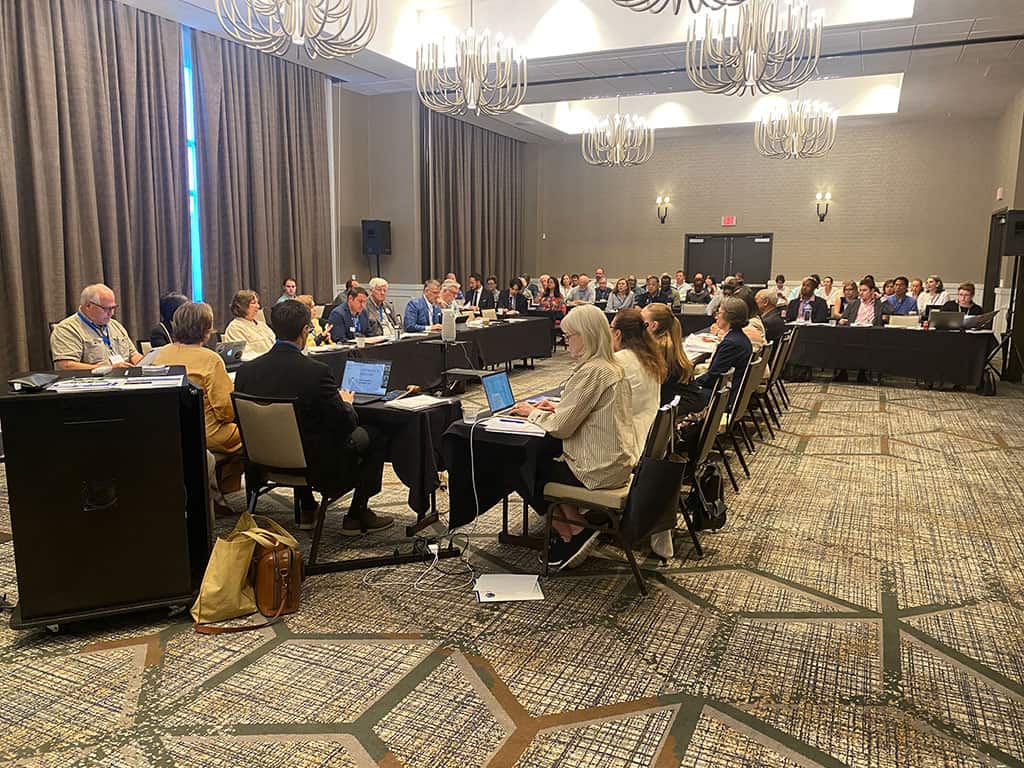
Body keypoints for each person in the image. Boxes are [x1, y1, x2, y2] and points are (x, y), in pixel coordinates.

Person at [235, 300, 393, 534]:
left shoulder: (246, 371)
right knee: (377, 434)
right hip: (317, 466)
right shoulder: (316, 372)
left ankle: (307, 507)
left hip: (262, 462)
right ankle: (356, 514)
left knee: (298, 430)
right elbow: (345, 423)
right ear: (304, 331)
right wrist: (347, 404)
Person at [509, 305, 637, 569]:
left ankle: (570, 533)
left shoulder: (593, 371)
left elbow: (561, 428)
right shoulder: (610, 367)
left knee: (518, 466)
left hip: (597, 468)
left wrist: (531, 413)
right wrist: (556, 407)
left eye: (569, 337)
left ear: (586, 335)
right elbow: (593, 411)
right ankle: (576, 526)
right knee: (543, 460)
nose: (566, 343)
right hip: (615, 461)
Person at [152, 302, 241, 455]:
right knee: (254, 432)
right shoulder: (211, 359)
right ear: (206, 330)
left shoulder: (160, 354)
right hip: (207, 433)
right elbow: (226, 411)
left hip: (170, 430)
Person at [51, 283, 143, 370]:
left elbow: (133, 354)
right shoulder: (67, 329)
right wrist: (109, 369)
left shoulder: (115, 325)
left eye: (113, 308)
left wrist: (146, 364)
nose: (111, 313)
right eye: (106, 308)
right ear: (88, 306)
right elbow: (66, 365)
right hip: (90, 383)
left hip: (124, 380)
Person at [611, 308, 664, 456]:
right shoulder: (649, 357)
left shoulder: (618, 361)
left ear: (617, 333)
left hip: (625, 446)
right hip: (646, 436)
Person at [642, 302, 703, 413]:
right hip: (682, 408)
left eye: (642, 322)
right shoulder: (672, 347)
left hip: (670, 413)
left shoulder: (657, 350)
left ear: (653, 326)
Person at [695, 297, 753, 406]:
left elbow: (713, 376)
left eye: (719, 313)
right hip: (727, 391)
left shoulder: (731, 343)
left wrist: (691, 384)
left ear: (729, 316)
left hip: (723, 397)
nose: (716, 316)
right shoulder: (738, 337)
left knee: (676, 394)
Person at [223, 290, 276, 355]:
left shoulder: (262, 325)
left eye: (257, 303)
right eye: (253, 303)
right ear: (242, 306)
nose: (258, 306)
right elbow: (244, 354)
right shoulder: (235, 328)